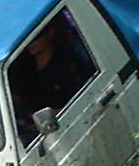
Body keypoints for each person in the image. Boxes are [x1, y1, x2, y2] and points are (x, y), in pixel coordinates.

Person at [9, 15, 92, 144]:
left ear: (50, 34)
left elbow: (83, 99)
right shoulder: (23, 66)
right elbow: (17, 97)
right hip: (31, 130)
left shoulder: (68, 63)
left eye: (35, 38)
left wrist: (43, 120)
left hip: (68, 125)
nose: (31, 44)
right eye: (27, 40)